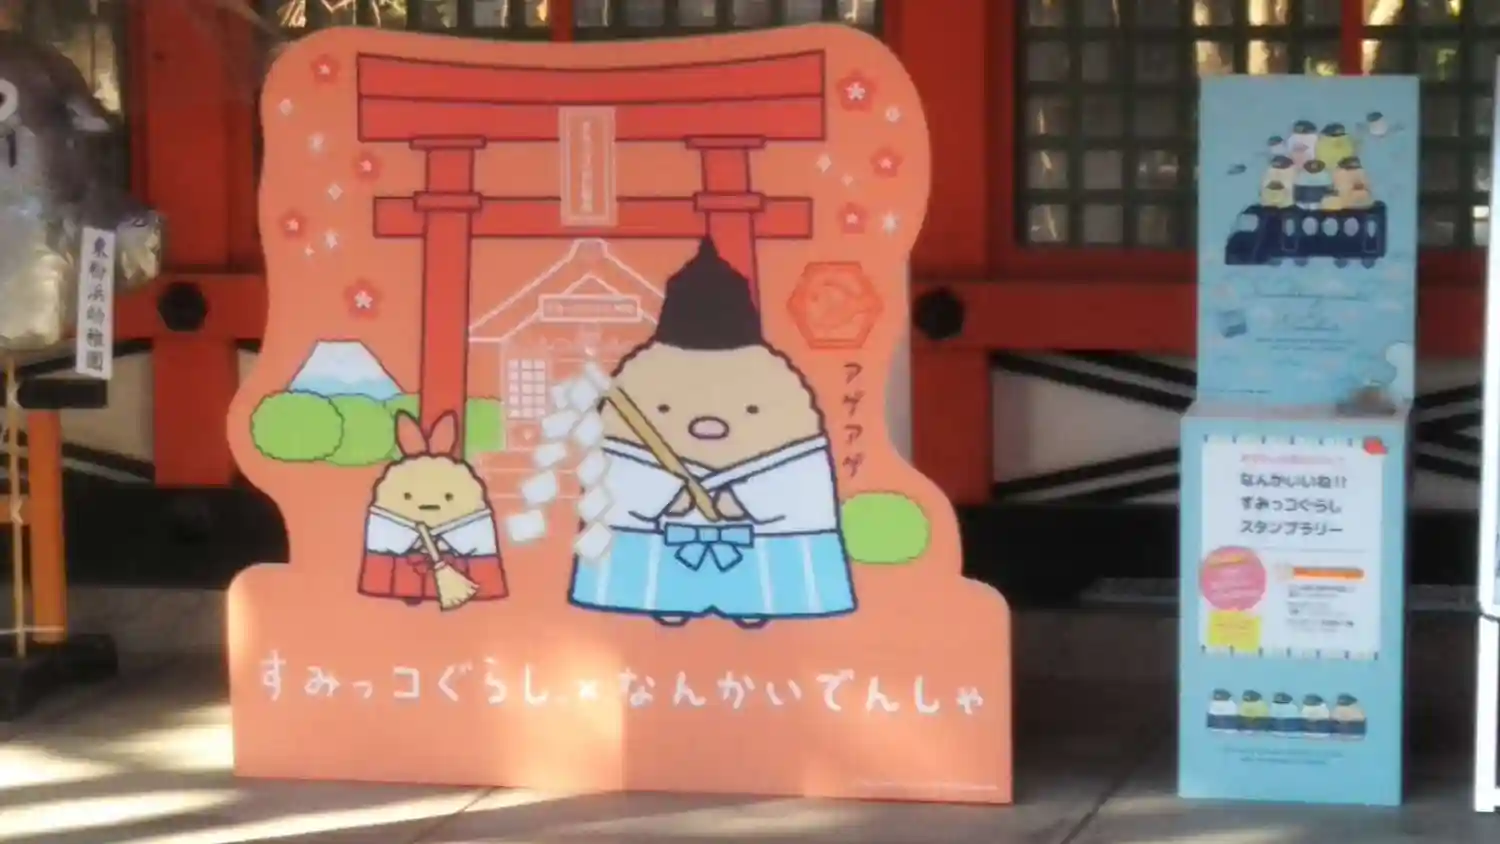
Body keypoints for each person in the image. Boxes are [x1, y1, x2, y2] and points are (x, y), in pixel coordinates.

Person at [568, 238, 857, 629]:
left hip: (757, 549)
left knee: (757, 574)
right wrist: (671, 495)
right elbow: (623, 481)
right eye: (664, 409)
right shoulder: (641, 384)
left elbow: (796, 481)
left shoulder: (773, 389)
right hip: (663, 543)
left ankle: (754, 597)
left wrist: (743, 497)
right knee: (659, 571)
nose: (708, 424)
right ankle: (665, 596)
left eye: (751, 410)